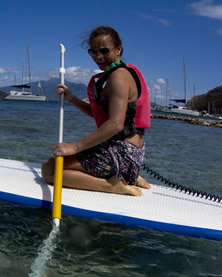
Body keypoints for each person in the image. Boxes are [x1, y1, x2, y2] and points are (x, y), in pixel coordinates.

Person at [41, 26, 151, 196]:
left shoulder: (118, 76)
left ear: (118, 49)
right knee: (60, 162)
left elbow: (115, 124)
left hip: (122, 153)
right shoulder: (119, 73)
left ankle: (113, 185)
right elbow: (99, 114)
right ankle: (128, 175)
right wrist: (72, 99)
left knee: (49, 170)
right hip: (131, 154)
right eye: (93, 52)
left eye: (104, 51)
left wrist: (75, 147)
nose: (98, 57)